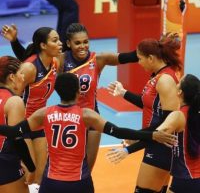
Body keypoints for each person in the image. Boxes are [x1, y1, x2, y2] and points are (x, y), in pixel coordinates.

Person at [0, 72, 177, 193]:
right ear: (78, 92)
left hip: (51, 181)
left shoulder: (43, 113)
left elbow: (14, 131)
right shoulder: (86, 115)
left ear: (57, 91)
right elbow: (119, 131)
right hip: (79, 181)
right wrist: (151, 135)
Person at [1, 22, 139, 171]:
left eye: (86, 42)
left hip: (92, 117)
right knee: (63, 167)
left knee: (86, 169)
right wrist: (14, 41)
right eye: (77, 43)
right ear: (69, 43)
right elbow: (34, 60)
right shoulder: (59, 59)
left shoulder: (99, 59)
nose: (83, 46)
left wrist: (157, 49)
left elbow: (130, 57)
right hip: (67, 118)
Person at [106, 36, 182, 192]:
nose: (138, 63)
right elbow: (149, 104)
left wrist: (132, 145)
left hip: (161, 147)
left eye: (140, 59)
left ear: (151, 58)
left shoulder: (165, 80)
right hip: (154, 141)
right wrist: (123, 93)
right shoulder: (157, 76)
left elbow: (167, 127)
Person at [1, 26, 63, 185]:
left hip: (39, 124)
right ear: (43, 45)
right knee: (28, 173)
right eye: (55, 40)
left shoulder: (55, 62)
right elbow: (13, 94)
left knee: (40, 175)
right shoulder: (29, 68)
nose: (60, 44)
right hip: (23, 124)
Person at [156, 74, 200, 193]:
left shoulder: (178, 115)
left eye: (178, 82)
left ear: (180, 92)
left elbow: (155, 134)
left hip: (185, 178)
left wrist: (130, 144)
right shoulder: (195, 114)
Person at [0, 56, 35, 193]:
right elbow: (17, 140)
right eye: (21, 73)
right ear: (12, 77)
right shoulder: (14, 101)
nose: (24, 77)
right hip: (5, 163)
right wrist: (30, 167)